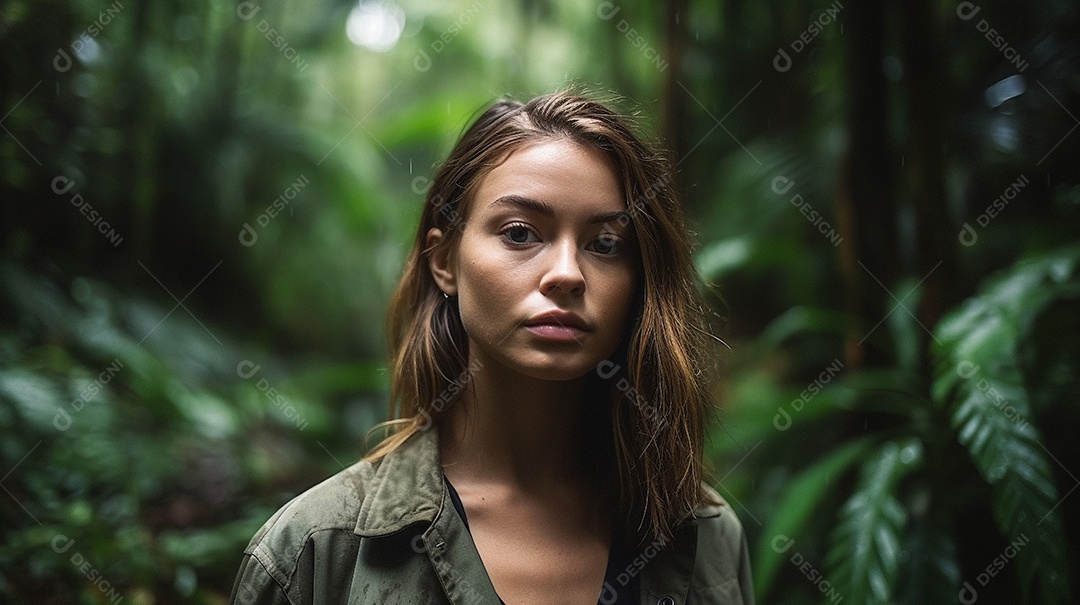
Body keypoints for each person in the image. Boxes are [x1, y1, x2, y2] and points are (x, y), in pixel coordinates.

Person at [230, 90, 753, 605]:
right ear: (445, 262)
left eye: (605, 244)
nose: (567, 274)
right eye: (521, 233)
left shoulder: (705, 540)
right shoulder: (314, 555)